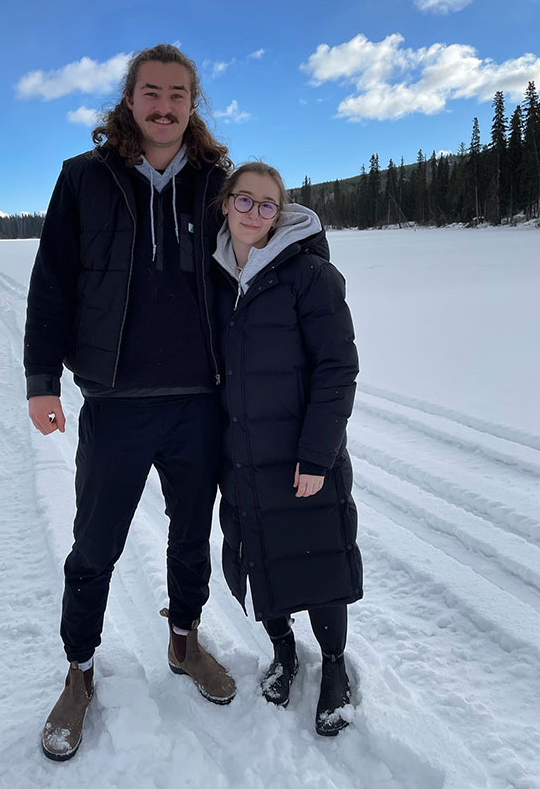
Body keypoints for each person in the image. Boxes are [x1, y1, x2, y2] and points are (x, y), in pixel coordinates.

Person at [24, 44, 236, 762]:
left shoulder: (216, 181)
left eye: (179, 94)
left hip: (199, 399)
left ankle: (184, 640)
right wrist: (41, 380)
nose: (165, 106)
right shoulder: (84, 179)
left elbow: (256, 263)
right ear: (129, 96)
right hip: (115, 401)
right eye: (152, 92)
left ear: (192, 102)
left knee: (189, 533)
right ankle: (79, 671)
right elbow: (52, 282)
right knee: (95, 545)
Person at [212, 162, 362, 736]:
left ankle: (333, 667)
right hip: (241, 453)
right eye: (243, 201)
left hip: (301, 455)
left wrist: (317, 457)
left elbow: (337, 368)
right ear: (227, 204)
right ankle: (284, 652)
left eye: (266, 204)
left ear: (282, 213)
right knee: (257, 556)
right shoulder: (216, 275)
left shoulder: (310, 276)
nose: (253, 213)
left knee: (319, 561)